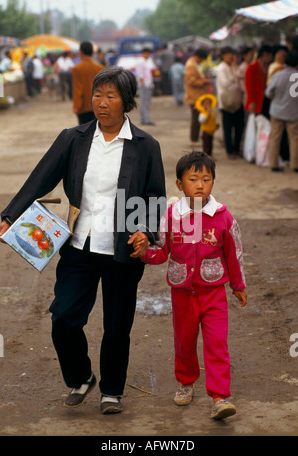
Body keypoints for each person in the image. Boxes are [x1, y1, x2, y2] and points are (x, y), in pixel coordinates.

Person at [0, 67, 166, 415]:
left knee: (118, 326)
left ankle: (112, 391)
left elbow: (153, 199)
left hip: (122, 251)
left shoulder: (146, 146)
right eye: (97, 95)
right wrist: (9, 216)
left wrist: (145, 233)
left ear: (127, 101)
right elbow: (39, 179)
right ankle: (82, 376)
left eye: (111, 96)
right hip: (79, 246)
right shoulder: (72, 138)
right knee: (64, 318)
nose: (102, 103)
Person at [138, 151, 247, 420]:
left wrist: (237, 284)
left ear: (213, 182)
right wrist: (143, 253)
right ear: (179, 184)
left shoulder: (223, 217)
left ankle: (220, 397)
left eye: (206, 179)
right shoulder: (172, 215)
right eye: (193, 179)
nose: (200, 185)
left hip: (214, 294)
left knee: (217, 344)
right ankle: (186, 383)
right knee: (184, 343)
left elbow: (234, 254)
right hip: (182, 294)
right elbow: (162, 251)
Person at [265, 52, 298, 172]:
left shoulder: (278, 75)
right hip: (294, 112)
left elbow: (269, 92)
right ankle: (295, 165)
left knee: (275, 137)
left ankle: (273, 164)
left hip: (277, 110)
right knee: (294, 139)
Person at [216, 47, 244, 159]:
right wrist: (235, 79)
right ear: (223, 55)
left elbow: (240, 76)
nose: (230, 57)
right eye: (228, 54)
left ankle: (236, 148)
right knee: (228, 127)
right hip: (227, 101)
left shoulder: (233, 66)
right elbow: (226, 83)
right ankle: (230, 150)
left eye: (231, 54)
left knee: (239, 126)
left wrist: (236, 67)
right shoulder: (221, 68)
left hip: (237, 100)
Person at [72, 41, 104, 125]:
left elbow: (78, 89)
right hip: (98, 105)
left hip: (84, 106)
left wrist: (77, 105)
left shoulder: (77, 68)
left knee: (84, 132)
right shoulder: (100, 68)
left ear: (81, 52)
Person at [184, 48, 210, 145]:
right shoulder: (191, 65)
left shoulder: (194, 64)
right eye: (202, 59)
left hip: (198, 95)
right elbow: (191, 81)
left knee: (197, 118)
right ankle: (194, 139)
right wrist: (204, 82)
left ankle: (195, 138)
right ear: (198, 57)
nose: (202, 61)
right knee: (196, 119)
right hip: (194, 96)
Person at [245, 45, 273, 119]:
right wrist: (251, 101)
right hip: (256, 102)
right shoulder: (252, 68)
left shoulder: (268, 68)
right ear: (264, 55)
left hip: (266, 100)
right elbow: (249, 86)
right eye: (270, 55)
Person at [136, 47, 155, 125]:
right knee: (144, 102)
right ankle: (146, 119)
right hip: (144, 85)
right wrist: (143, 84)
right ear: (143, 54)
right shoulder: (140, 62)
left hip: (148, 84)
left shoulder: (147, 61)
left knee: (146, 102)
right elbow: (140, 74)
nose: (148, 55)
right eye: (147, 53)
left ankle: (144, 119)